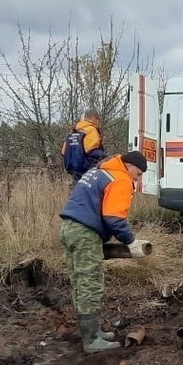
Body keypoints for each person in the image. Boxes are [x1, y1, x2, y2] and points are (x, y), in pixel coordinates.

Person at [59, 151, 150, 353]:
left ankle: (92, 331)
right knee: (90, 283)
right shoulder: (121, 179)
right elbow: (113, 218)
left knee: (79, 281)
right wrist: (131, 241)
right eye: (139, 172)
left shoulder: (100, 172)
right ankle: (91, 340)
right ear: (129, 166)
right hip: (85, 233)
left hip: (69, 229)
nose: (139, 177)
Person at [62, 109, 106, 183]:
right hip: (86, 167)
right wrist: (106, 157)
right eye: (98, 119)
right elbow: (91, 150)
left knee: (77, 189)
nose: (98, 122)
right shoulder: (91, 130)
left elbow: (63, 152)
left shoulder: (73, 131)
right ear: (94, 118)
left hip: (73, 168)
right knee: (88, 190)